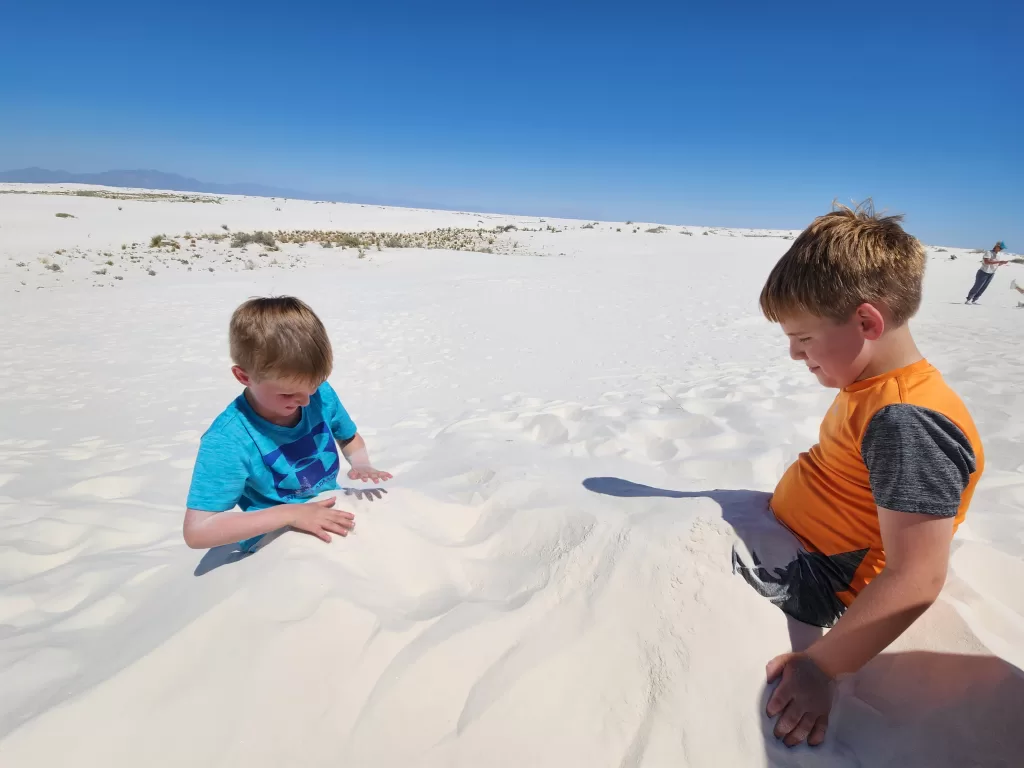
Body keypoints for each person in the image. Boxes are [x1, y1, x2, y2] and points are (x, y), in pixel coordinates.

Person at [737, 202, 984, 748]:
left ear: (867, 322)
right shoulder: (872, 389)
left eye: (803, 340)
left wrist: (821, 670)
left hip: (825, 585)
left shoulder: (906, 420)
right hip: (801, 544)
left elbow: (918, 576)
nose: (795, 355)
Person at [182, 296, 391, 552]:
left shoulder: (319, 394)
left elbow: (347, 436)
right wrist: (290, 514)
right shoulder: (228, 439)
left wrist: (361, 464)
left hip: (329, 504)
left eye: (312, 387)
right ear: (244, 376)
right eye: (288, 394)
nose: (304, 401)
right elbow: (197, 532)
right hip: (274, 537)